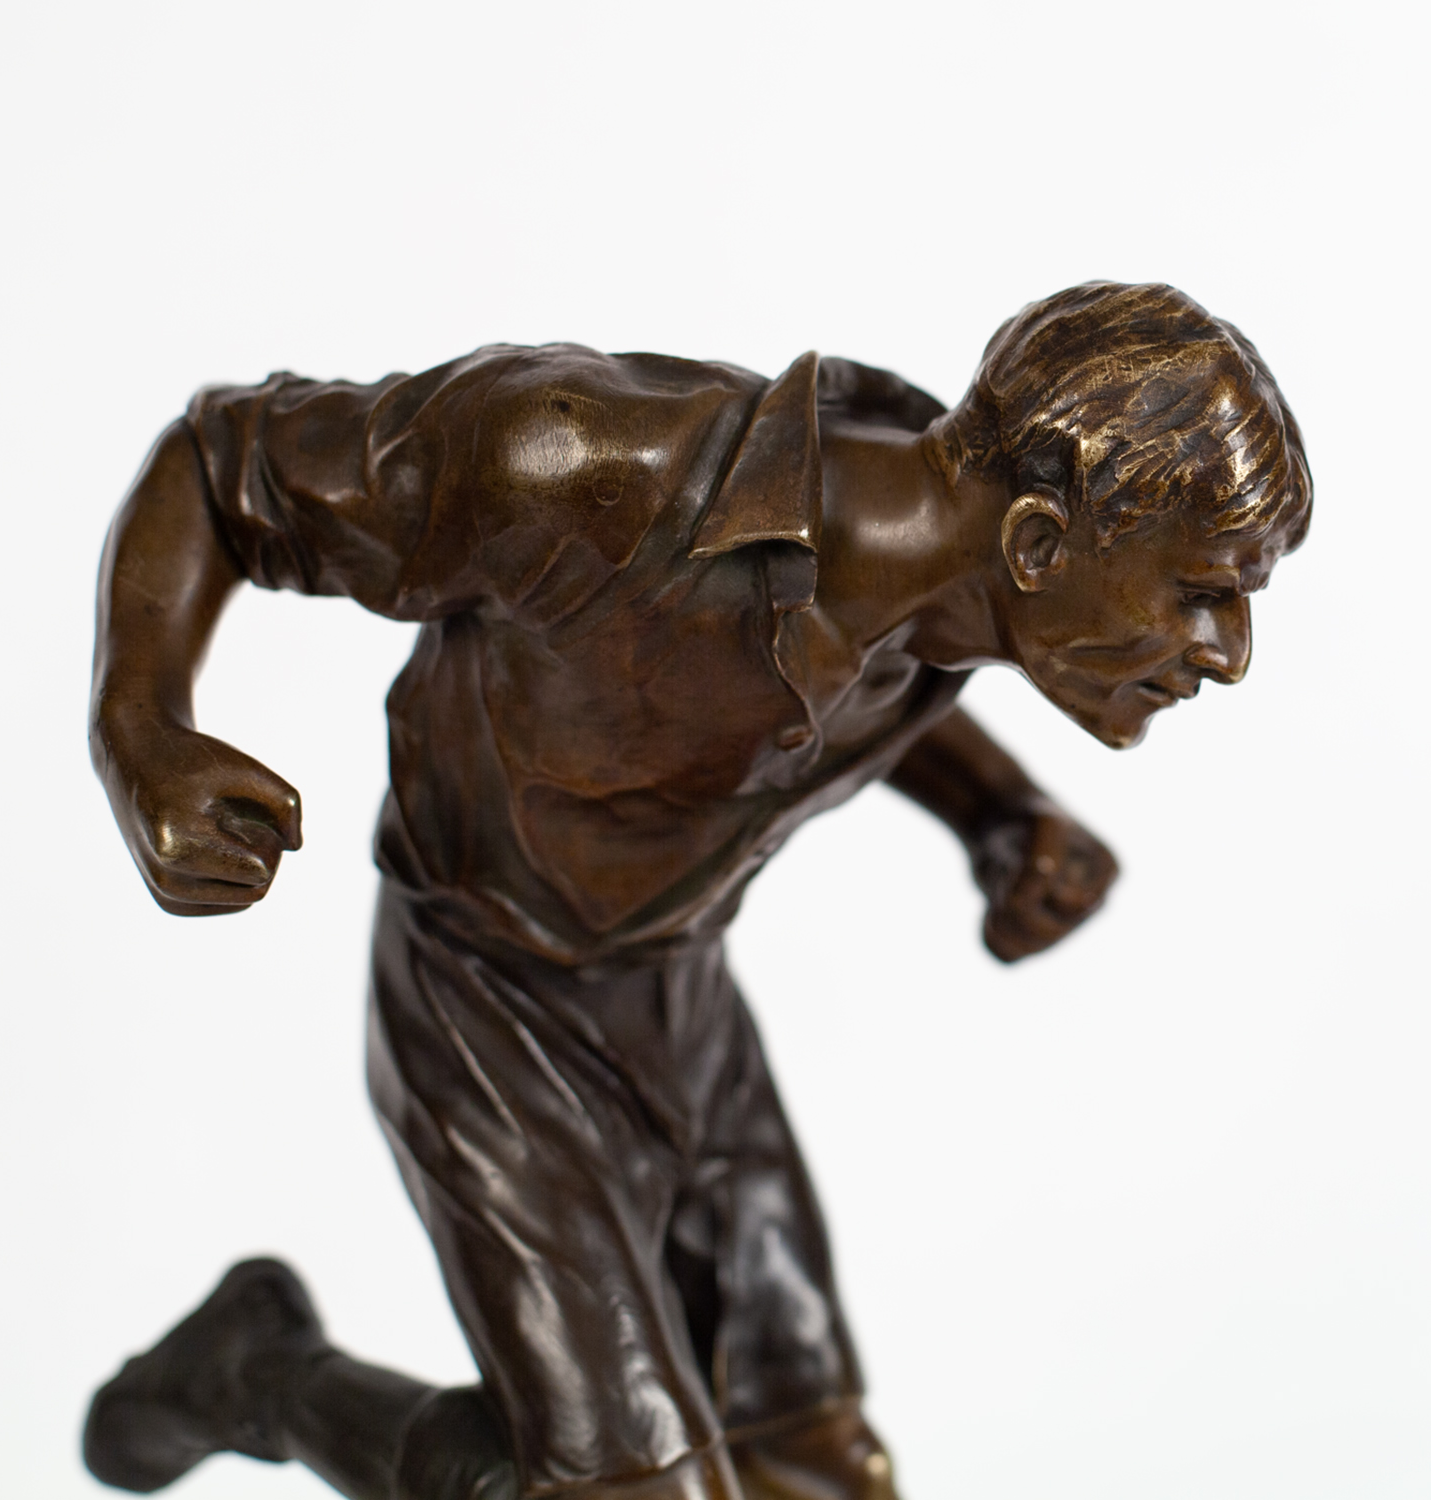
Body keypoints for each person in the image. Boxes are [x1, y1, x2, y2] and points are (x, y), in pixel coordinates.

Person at [83, 282, 1311, 1500]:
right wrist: (142, 732)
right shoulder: (575, 466)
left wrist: (1000, 817)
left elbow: (864, 670)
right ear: (1038, 544)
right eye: (1207, 590)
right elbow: (222, 465)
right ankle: (262, 1373)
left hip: (687, 1008)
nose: (1231, 654)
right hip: (490, 1008)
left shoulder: (948, 578)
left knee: (818, 1474)